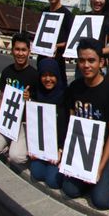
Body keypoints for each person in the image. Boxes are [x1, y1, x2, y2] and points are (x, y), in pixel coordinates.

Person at [61, 38, 109, 210]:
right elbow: (72, 121)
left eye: (91, 60)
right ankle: (85, 180)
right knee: (70, 189)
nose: (86, 65)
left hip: (102, 152)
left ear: (102, 62)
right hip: (81, 150)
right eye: (82, 60)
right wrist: (66, 154)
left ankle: (103, 177)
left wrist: (100, 168)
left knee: (102, 202)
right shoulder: (75, 87)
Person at [0, 33, 38, 165]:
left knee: (16, 157)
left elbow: (38, 107)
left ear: (29, 51)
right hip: (7, 119)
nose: (20, 53)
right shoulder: (7, 72)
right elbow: (2, 98)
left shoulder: (34, 75)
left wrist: (29, 99)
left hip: (23, 123)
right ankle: (8, 144)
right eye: (17, 49)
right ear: (12, 51)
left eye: (23, 50)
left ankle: (18, 146)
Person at [29, 58, 68, 189]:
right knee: (37, 172)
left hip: (59, 148)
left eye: (52, 75)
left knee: (53, 181)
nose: (48, 79)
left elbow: (69, 127)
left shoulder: (66, 97)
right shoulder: (36, 95)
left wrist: (61, 150)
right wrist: (33, 146)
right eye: (44, 75)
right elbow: (34, 123)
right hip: (43, 147)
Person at [37, 0, 73, 84]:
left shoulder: (67, 15)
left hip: (57, 62)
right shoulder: (44, 12)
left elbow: (71, 42)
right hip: (41, 60)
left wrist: (56, 46)